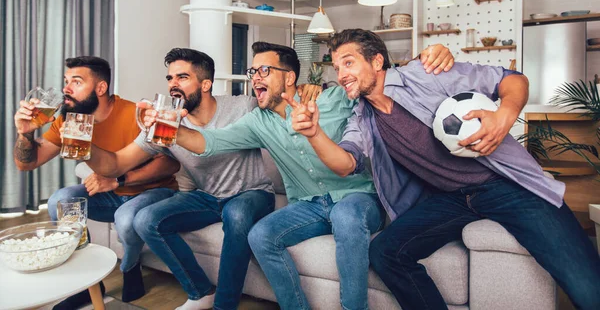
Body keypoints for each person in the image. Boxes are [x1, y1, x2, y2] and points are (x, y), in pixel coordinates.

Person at [288, 28, 600, 310]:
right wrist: (315, 134)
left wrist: (504, 116)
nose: (341, 74)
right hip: (452, 198)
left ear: (377, 62)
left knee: (587, 288)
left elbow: (512, 79)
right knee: (385, 252)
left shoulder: (425, 73)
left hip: (507, 186)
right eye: (337, 66)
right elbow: (347, 163)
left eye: (349, 62)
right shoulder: (361, 117)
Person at [136, 41, 454, 310]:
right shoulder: (256, 121)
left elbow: (375, 79)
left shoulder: (332, 98)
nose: (254, 78)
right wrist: (171, 130)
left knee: (345, 216)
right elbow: (208, 143)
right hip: (308, 205)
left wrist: (429, 56)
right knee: (260, 234)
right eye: (252, 72)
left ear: (289, 78)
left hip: (358, 197)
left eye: (264, 71)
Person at [83, 48, 275, 310]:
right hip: (207, 196)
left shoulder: (242, 106)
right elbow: (116, 163)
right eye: (170, 78)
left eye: (182, 77)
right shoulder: (164, 122)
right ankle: (200, 292)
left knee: (237, 214)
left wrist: (310, 90)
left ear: (205, 84)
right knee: (146, 220)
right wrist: (81, 142)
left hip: (252, 193)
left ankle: (224, 305)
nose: (173, 85)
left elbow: (278, 104)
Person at [13, 56, 180, 307]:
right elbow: (27, 163)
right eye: (66, 81)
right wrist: (25, 133)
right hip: (110, 196)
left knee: (126, 216)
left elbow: (169, 163)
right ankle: (88, 282)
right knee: (61, 200)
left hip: (154, 191)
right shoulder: (68, 118)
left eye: (76, 82)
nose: (66, 89)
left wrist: (118, 179)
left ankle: (130, 265)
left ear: (101, 88)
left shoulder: (133, 113)